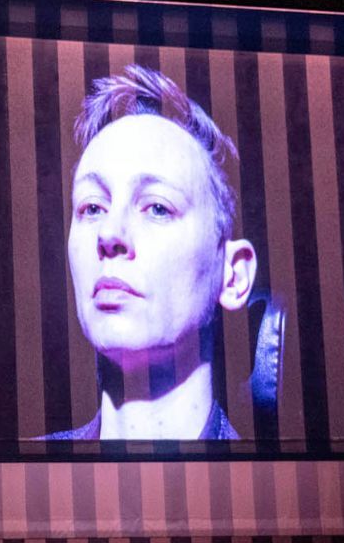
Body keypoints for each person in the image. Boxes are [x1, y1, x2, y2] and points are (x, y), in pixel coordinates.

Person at [45, 64, 257, 440]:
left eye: (158, 207)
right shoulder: (11, 490)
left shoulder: (285, 495)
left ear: (233, 275)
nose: (109, 233)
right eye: (92, 207)